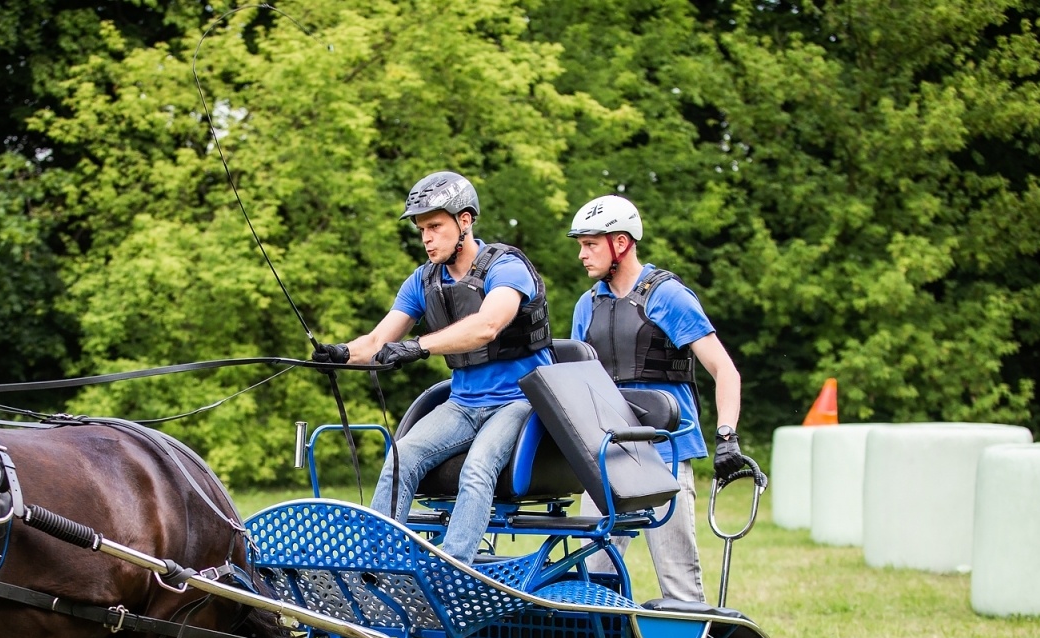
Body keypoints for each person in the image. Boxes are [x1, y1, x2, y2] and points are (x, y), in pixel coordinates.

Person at [313, 171, 554, 564]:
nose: (426, 237)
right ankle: (377, 566)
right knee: (399, 458)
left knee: (477, 468)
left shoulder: (506, 268)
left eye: (435, 226)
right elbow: (376, 343)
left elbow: (487, 325)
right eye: (422, 228)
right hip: (462, 404)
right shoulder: (423, 281)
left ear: (465, 220)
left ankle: (452, 570)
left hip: (521, 402)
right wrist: (340, 354)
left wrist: (419, 346)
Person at [566, 194, 749, 603]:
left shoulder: (667, 296)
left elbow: (725, 371)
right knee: (589, 580)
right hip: (606, 455)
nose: (582, 254)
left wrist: (727, 435)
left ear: (622, 243)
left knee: (677, 577)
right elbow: (575, 384)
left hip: (665, 452)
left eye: (590, 243)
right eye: (580, 244)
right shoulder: (587, 305)